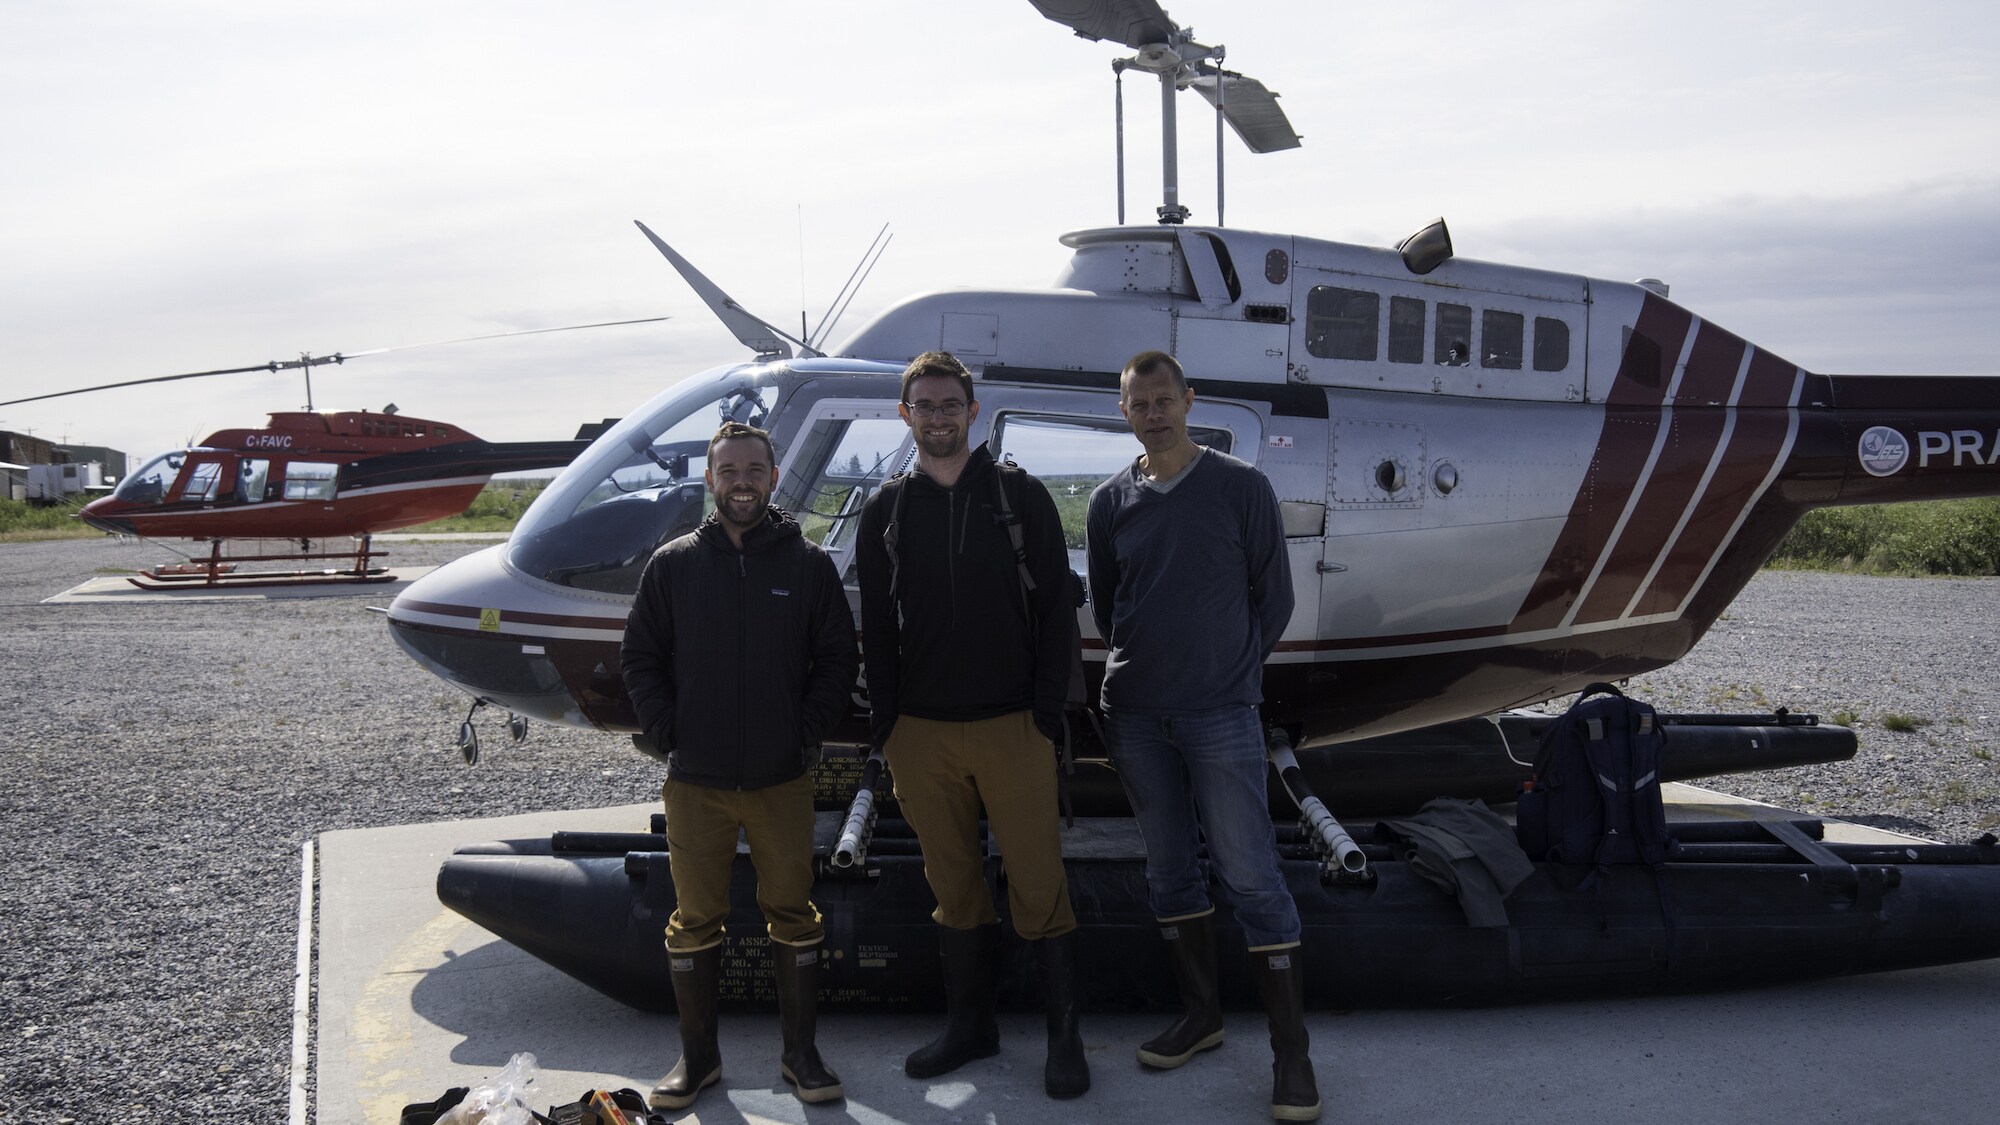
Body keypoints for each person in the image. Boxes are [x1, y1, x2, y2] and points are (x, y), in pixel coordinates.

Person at [1085, 349, 1319, 1122]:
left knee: (1252, 874)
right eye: (1138, 402)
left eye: (1164, 399)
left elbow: (1273, 598)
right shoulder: (1110, 501)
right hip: (1136, 714)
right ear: (1124, 413)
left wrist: (1228, 673)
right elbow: (1115, 603)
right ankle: (1201, 1015)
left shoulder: (1241, 488)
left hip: (1221, 711)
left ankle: (1292, 1056)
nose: (1153, 412)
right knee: (1170, 871)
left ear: (1189, 401)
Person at [854, 350, 1089, 1100]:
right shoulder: (886, 510)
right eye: (923, 405)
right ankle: (971, 1027)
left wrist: (1047, 719)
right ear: (905, 416)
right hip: (921, 734)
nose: (938, 416)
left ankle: (1064, 1039)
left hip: (1014, 724)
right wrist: (888, 725)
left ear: (973, 410)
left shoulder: (1020, 497)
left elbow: (1057, 610)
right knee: (953, 886)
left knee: (1039, 885)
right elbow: (878, 634)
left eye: (950, 403)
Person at [620, 420, 858, 1111]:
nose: (743, 481)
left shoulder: (808, 566)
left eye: (755, 469)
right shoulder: (671, 566)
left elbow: (837, 660)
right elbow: (640, 658)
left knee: (793, 910)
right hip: (696, 782)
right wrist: (669, 734)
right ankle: (697, 1060)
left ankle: (800, 1053)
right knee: (694, 919)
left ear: (773, 478)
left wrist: (802, 731)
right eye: (729, 470)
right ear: (710, 479)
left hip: (781, 779)